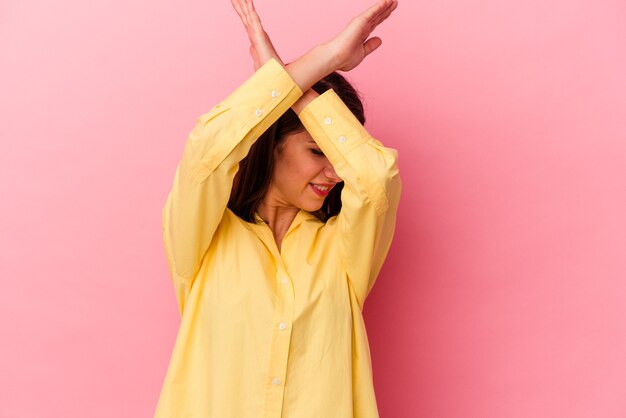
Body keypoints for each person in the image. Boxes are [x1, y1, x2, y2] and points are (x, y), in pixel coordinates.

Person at [154, 0, 401, 417]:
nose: (335, 173)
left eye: (336, 155)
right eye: (316, 151)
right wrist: (322, 61)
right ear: (274, 143)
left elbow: (375, 178)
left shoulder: (343, 253)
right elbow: (207, 151)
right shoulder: (202, 239)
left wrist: (290, 87)